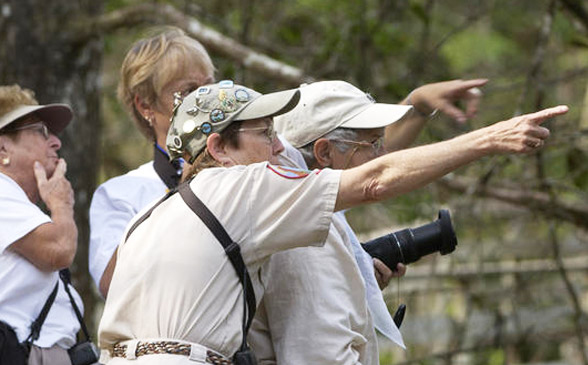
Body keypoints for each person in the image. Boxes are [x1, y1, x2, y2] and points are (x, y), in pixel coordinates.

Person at [97, 80, 567, 364]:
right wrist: (492, 138)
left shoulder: (153, 211)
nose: (280, 149)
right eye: (264, 135)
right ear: (219, 150)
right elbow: (376, 180)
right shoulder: (243, 189)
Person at [248, 79, 488, 365]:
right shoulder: (305, 243)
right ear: (324, 153)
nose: (384, 155)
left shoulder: (299, 201)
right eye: (374, 144)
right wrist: (489, 140)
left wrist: (352, 284)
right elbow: (321, 354)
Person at [88, 27, 215, 298]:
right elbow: (112, 284)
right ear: (145, 105)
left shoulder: (244, 167)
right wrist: (184, 191)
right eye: (189, 90)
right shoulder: (121, 194)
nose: (206, 99)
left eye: (210, 85)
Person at [0, 85, 83, 365]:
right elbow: (58, 249)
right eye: (42, 131)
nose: (57, 142)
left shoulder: (16, 204)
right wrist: (61, 204)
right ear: (2, 148)